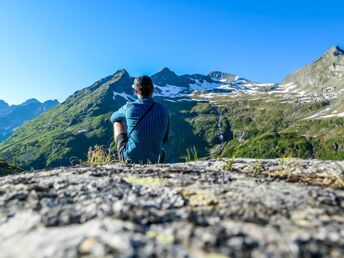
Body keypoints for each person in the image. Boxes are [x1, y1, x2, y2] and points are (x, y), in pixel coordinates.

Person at [110, 75, 170, 164]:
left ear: (135, 91)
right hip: (156, 159)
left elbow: (113, 117)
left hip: (130, 158)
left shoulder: (129, 106)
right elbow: (164, 139)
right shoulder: (164, 110)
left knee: (117, 122)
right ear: (153, 90)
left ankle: (125, 153)